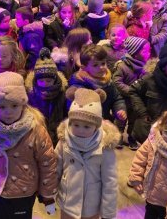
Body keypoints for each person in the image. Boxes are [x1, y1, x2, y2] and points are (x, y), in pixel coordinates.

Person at [0, 71, 58, 219]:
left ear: (23, 104)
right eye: (2, 107)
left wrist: (47, 193)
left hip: (24, 191)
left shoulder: (35, 129)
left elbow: (47, 162)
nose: (8, 112)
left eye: (14, 105)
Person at [56, 88, 120, 219]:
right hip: (68, 201)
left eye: (86, 127)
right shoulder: (64, 141)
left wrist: (108, 212)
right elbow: (55, 168)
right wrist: (49, 195)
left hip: (91, 205)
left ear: (96, 126)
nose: (80, 130)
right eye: (76, 125)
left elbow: (110, 181)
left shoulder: (105, 147)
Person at [128, 38, 167, 143]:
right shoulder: (150, 80)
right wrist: (143, 113)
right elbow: (133, 91)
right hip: (149, 133)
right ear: (163, 67)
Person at [68, 44, 127, 124]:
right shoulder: (79, 84)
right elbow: (74, 107)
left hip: (104, 121)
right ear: (84, 68)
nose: (101, 67)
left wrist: (120, 109)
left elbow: (116, 98)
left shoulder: (107, 80)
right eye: (95, 65)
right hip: (86, 125)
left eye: (103, 63)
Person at [113, 36, 151, 150]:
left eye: (149, 50)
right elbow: (117, 81)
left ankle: (131, 137)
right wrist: (131, 91)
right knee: (121, 118)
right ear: (135, 52)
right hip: (124, 98)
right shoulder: (122, 65)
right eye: (145, 51)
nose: (148, 53)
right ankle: (118, 135)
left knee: (134, 120)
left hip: (136, 100)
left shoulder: (145, 67)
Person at [25, 48, 68, 146]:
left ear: (55, 79)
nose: (44, 84)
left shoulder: (62, 93)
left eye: (48, 81)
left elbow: (66, 114)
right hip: (38, 135)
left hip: (59, 134)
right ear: (36, 80)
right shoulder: (31, 94)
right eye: (41, 81)